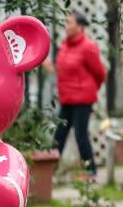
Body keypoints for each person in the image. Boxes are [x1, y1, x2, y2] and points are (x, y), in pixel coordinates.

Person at [45, 10, 107, 180]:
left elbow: (100, 73)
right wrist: (50, 67)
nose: (66, 26)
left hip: (82, 100)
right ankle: (47, 172)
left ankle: (90, 172)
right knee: (60, 135)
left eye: (69, 22)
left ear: (79, 26)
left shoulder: (88, 47)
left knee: (80, 135)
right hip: (67, 98)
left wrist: (88, 90)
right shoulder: (65, 45)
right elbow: (63, 70)